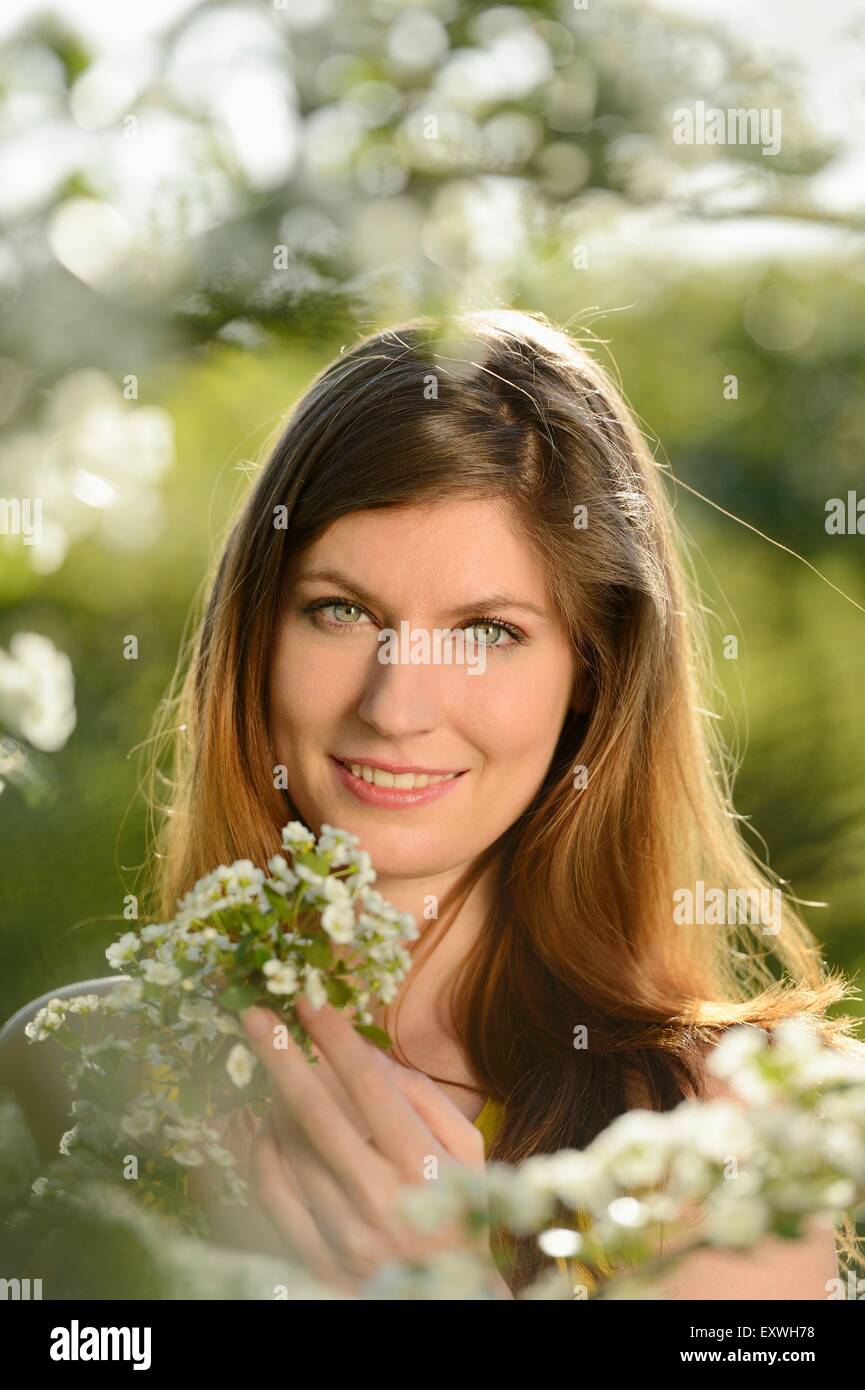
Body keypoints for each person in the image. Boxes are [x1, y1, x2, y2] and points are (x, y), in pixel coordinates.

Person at [144, 309, 861, 1297]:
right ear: (256, 634)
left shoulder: (719, 1137)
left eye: (486, 629)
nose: (396, 706)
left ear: (591, 673)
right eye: (340, 610)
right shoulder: (88, 1077)